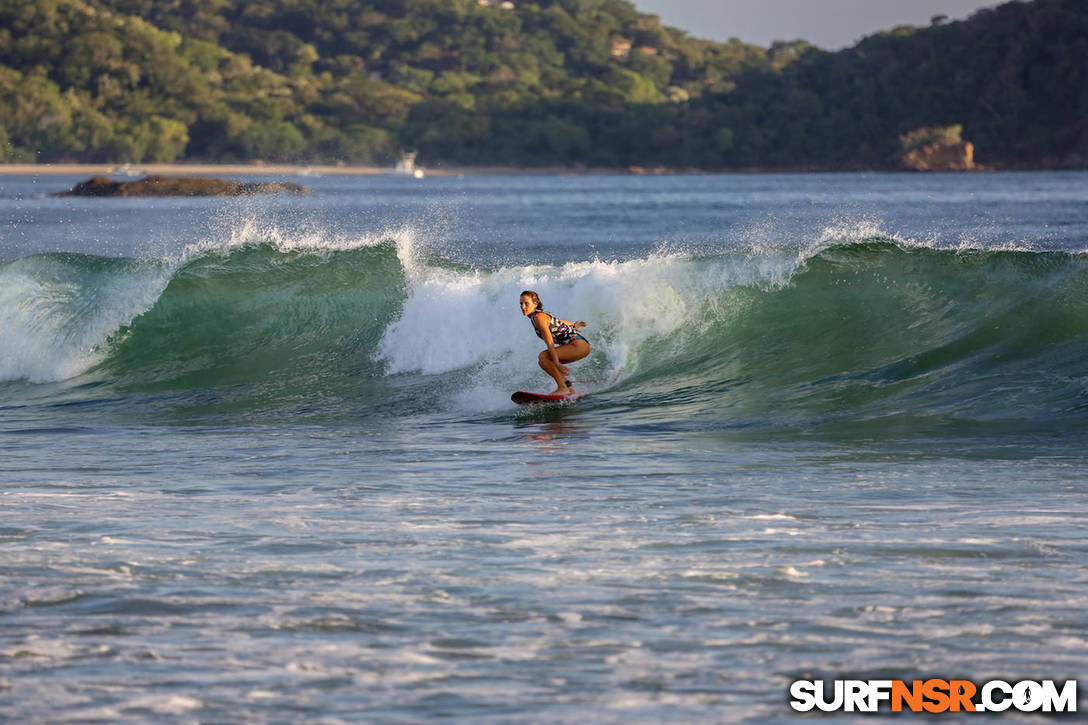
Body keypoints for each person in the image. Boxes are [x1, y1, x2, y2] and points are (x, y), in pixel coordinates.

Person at [519, 290, 590, 396]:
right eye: (521, 304)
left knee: (543, 356)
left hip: (579, 345)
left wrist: (557, 363)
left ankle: (562, 388)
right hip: (579, 345)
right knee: (543, 362)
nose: (523, 307)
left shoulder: (539, 318)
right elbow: (559, 322)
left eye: (526, 303)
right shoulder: (536, 317)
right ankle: (569, 387)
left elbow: (550, 342)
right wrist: (574, 324)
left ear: (535, 304)